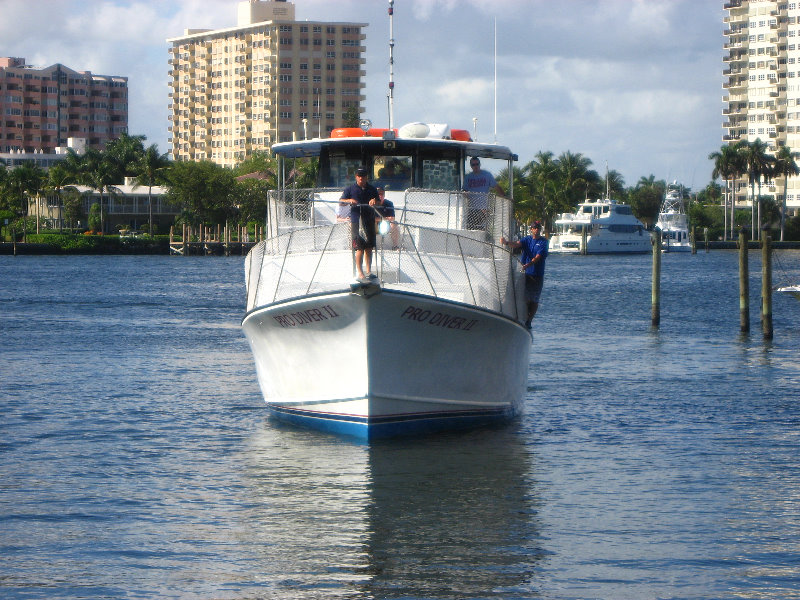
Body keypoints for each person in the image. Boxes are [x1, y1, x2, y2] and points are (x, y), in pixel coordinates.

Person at [500, 221, 548, 329]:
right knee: (524, 297)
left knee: (534, 299)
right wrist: (506, 242)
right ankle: (522, 316)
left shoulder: (543, 242)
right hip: (525, 273)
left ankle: (529, 320)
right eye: (534, 228)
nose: (536, 229)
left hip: (536, 274)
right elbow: (517, 244)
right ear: (531, 229)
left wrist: (529, 264)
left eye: (538, 228)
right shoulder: (527, 239)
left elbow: (538, 257)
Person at [341, 166, 380, 280]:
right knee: (359, 248)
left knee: (369, 247)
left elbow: (378, 201)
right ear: (356, 177)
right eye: (359, 176)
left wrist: (375, 201)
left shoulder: (372, 189)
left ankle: (368, 271)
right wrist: (349, 200)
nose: (361, 178)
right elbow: (341, 201)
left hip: (369, 220)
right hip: (356, 221)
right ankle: (360, 272)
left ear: (367, 177)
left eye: (363, 176)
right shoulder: (350, 189)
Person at [463, 156, 504, 230]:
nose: (475, 166)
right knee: (470, 228)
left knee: (482, 229)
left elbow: (496, 187)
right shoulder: (468, 177)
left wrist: (504, 198)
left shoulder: (487, 175)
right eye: (473, 165)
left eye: (477, 164)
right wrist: (465, 194)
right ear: (471, 166)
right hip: (472, 208)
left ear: (479, 164)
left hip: (484, 208)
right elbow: (464, 190)